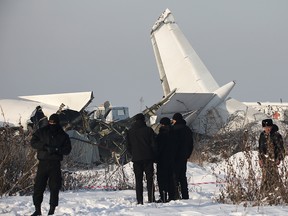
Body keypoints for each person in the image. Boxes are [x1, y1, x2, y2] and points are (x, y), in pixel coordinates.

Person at [30, 114, 72, 216]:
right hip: (43, 163)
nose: (52, 124)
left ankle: (51, 210)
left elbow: (67, 150)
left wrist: (57, 150)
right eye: (50, 122)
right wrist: (44, 146)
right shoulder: (42, 131)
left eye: (54, 122)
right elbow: (33, 142)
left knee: (54, 187)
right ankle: (37, 209)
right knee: (38, 187)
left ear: (57, 123)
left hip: (55, 164)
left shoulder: (63, 135)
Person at [126, 113, 157, 204]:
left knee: (138, 180)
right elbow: (153, 145)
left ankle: (140, 200)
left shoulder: (130, 131)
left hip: (136, 159)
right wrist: (153, 155)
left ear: (135, 120)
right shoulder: (148, 130)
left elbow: (128, 146)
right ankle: (151, 198)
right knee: (150, 179)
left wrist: (134, 154)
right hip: (148, 158)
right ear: (143, 120)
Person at [258, 118, 285, 198]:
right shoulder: (262, 135)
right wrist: (260, 158)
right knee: (265, 176)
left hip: (273, 159)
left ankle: (278, 193)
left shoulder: (276, 135)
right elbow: (260, 148)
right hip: (264, 159)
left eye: (269, 127)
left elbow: (280, 148)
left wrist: (279, 158)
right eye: (266, 127)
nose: (267, 129)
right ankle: (264, 194)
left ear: (272, 126)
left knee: (274, 176)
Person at [171, 113, 194, 199]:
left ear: (175, 120)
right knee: (183, 176)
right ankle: (185, 195)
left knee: (174, 177)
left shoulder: (173, 129)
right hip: (184, 156)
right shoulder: (187, 129)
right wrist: (188, 154)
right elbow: (191, 144)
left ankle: (175, 195)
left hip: (175, 156)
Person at [156, 117, 177, 203]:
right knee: (171, 178)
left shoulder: (160, 136)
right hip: (173, 159)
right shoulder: (175, 134)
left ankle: (163, 196)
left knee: (162, 179)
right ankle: (172, 196)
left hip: (162, 160)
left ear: (162, 124)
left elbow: (158, 148)